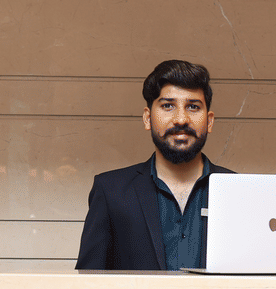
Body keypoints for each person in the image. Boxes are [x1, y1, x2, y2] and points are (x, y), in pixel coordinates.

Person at [77, 60, 235, 270]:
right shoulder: (110, 191)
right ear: (147, 118)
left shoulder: (239, 191)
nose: (181, 119)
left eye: (193, 107)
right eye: (168, 105)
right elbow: (88, 282)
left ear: (210, 121)